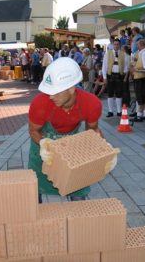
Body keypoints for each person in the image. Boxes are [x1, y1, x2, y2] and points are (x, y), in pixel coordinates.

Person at [28, 57, 104, 203]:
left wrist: (99, 148)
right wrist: (45, 145)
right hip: (43, 146)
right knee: (33, 192)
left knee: (78, 192)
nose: (51, 96)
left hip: (71, 146)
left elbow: (92, 130)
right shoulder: (40, 103)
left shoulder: (91, 103)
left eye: (55, 92)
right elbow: (33, 131)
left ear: (71, 88)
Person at [102, 38, 128, 117]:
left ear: (119, 45)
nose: (116, 46)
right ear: (113, 45)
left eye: (117, 44)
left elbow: (126, 66)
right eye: (115, 44)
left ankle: (119, 111)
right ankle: (110, 111)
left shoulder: (123, 54)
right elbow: (104, 66)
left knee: (119, 93)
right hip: (110, 75)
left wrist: (124, 75)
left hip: (119, 75)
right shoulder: (108, 53)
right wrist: (104, 77)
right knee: (110, 93)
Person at [130, 39, 145, 121]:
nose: (137, 46)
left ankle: (139, 115)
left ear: (142, 45)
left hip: (142, 78)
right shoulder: (143, 52)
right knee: (143, 97)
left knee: (141, 97)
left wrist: (135, 69)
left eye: (138, 45)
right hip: (142, 77)